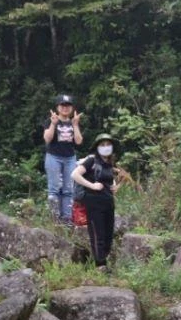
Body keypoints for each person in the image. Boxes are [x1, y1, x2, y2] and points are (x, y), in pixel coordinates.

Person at [71, 133, 123, 268]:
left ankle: (104, 262)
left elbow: (111, 178)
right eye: (102, 145)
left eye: (108, 145)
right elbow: (75, 174)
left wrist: (115, 187)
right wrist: (92, 185)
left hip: (108, 202)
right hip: (94, 203)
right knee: (97, 234)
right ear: (97, 147)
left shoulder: (110, 163)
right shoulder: (91, 161)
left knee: (108, 235)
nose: (106, 147)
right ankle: (100, 265)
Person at [42, 94, 83, 223]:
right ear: (57, 107)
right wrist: (53, 124)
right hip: (53, 157)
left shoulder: (73, 122)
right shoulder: (50, 120)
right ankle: (54, 219)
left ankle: (67, 219)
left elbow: (78, 141)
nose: (65, 108)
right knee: (54, 188)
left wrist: (75, 125)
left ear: (71, 108)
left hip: (70, 158)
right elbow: (47, 139)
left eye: (68, 105)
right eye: (62, 105)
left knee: (68, 190)